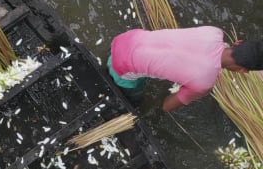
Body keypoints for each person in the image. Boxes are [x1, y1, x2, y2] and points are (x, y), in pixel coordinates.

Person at [107, 26, 263, 112]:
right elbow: (167, 106)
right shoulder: (204, 83)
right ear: (242, 70)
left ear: (238, 42)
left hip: (126, 38)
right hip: (122, 68)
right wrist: (187, 92)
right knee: (134, 98)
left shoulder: (214, 32)